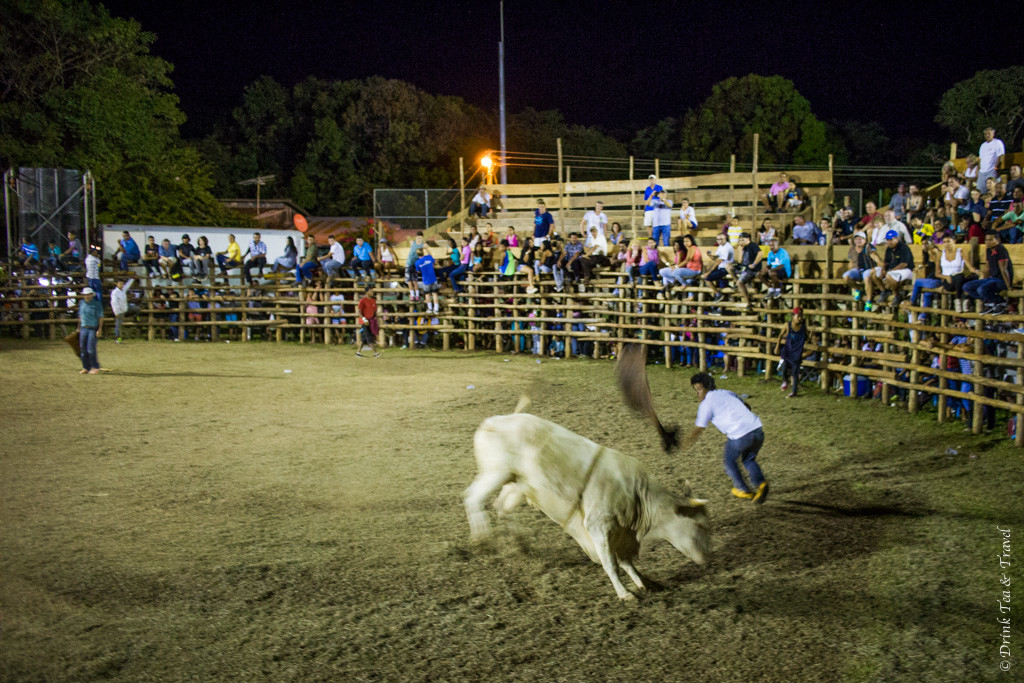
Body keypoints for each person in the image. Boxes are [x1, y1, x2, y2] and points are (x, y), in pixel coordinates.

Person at [681, 373, 769, 503]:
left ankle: (743, 490)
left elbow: (699, 429)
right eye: (696, 390)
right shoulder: (726, 392)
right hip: (757, 429)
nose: (697, 393)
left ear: (708, 388)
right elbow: (747, 407)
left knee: (729, 461)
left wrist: (684, 443)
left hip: (740, 435)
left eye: (699, 389)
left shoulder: (706, 404)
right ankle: (761, 484)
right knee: (748, 459)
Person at [963, 231, 1013, 315]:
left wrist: (1009, 286)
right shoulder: (989, 250)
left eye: (990, 240)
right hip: (992, 279)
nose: (987, 242)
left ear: (997, 240)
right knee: (967, 287)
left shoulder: (1001, 249)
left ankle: (1000, 302)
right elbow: (988, 267)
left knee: (981, 289)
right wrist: (982, 279)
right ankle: (989, 302)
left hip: (1001, 280)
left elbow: (1003, 269)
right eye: (986, 240)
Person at [774, 307, 809, 398]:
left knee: (795, 372)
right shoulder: (788, 325)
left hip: (797, 352)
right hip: (787, 351)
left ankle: (794, 392)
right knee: (784, 367)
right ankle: (785, 380)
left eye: (801, 316)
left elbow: (807, 337)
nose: (800, 318)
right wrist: (777, 346)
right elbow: (780, 335)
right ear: (793, 316)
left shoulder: (803, 327)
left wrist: (809, 337)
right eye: (798, 316)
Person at [842, 232, 878, 302]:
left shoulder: (869, 247)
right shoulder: (852, 249)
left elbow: (875, 258)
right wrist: (850, 272)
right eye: (856, 239)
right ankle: (858, 289)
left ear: (865, 240)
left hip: (868, 269)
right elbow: (851, 262)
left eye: (860, 239)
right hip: (857, 270)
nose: (858, 241)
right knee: (845, 276)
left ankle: (869, 301)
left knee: (866, 277)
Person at [76, 286, 103, 374]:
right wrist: (78, 327)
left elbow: (100, 317)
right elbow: (80, 316)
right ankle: (86, 367)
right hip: (84, 327)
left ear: (92, 295)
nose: (87, 296)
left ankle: (95, 366)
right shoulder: (81, 303)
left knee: (91, 349)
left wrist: (99, 329)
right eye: (86, 295)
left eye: (89, 294)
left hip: (92, 328)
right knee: (83, 349)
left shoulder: (97, 304)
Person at [703, 233, 734, 300]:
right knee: (721, 285)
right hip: (721, 268)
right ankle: (723, 297)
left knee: (707, 278)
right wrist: (710, 255)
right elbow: (715, 258)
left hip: (726, 269)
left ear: (725, 239)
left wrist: (708, 273)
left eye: (721, 239)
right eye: (718, 239)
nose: (719, 241)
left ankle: (718, 294)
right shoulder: (721, 246)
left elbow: (719, 261)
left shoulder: (727, 247)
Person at [356, 285, 382, 358]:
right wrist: (364, 319)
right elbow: (359, 312)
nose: (372, 292)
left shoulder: (373, 300)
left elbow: (374, 311)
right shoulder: (363, 301)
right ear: (367, 292)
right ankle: (375, 352)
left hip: (370, 321)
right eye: (371, 291)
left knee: (364, 337)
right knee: (368, 336)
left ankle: (358, 352)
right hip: (364, 321)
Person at [415, 247, 441, 313]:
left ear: (417, 254)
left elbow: (418, 271)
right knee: (435, 294)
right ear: (423, 252)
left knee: (427, 294)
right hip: (433, 279)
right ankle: (436, 309)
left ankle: (430, 308)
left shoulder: (417, 262)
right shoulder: (429, 257)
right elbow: (433, 259)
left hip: (426, 280)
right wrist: (427, 249)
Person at [110, 276, 134, 343]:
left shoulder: (123, 290)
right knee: (118, 325)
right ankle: (118, 338)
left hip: (124, 308)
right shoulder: (115, 292)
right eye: (120, 283)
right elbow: (114, 303)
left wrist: (132, 279)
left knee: (136, 309)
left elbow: (127, 285)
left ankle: (136, 317)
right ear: (117, 284)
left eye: (122, 284)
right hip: (119, 310)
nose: (122, 285)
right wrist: (116, 312)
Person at [404, 232, 425, 301]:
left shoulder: (423, 244)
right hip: (409, 263)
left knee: (415, 281)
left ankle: (417, 295)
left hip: (415, 264)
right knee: (409, 281)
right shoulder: (412, 243)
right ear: (416, 237)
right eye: (418, 237)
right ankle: (412, 295)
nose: (419, 239)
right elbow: (408, 238)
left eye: (420, 238)